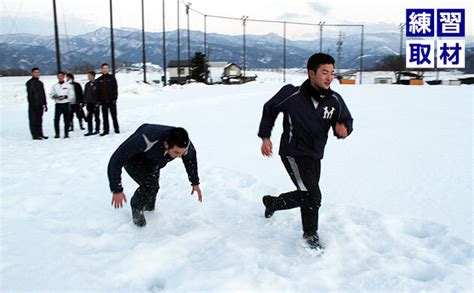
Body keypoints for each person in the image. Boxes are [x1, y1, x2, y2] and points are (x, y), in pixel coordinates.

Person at [257, 53, 353, 251]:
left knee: (307, 194)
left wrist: (344, 128)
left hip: (315, 154)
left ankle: (273, 203)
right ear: (311, 73)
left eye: (332, 73)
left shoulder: (334, 100)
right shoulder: (292, 94)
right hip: (293, 152)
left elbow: (346, 119)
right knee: (312, 195)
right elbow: (270, 108)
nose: (329, 77)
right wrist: (266, 137)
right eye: (325, 73)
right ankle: (310, 234)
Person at [107, 124, 202, 227]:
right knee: (150, 185)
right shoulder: (146, 138)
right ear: (166, 144)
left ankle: (149, 210)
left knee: (153, 188)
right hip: (134, 159)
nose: (179, 156)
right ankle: (136, 208)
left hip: (153, 161)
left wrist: (195, 182)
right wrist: (117, 189)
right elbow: (116, 160)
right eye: (176, 152)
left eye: (182, 153)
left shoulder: (184, 144)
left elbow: (190, 161)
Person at [96, 63, 120, 136]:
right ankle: (106, 130)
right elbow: (98, 91)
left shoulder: (112, 78)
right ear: (101, 69)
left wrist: (114, 99)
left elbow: (115, 89)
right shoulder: (99, 79)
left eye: (106, 68)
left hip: (111, 100)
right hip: (103, 101)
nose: (105, 69)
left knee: (114, 116)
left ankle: (116, 129)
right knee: (104, 117)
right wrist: (99, 100)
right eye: (104, 68)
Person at [50, 71, 75, 138]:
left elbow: (72, 95)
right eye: (59, 76)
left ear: (64, 77)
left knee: (66, 119)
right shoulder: (54, 86)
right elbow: (51, 94)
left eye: (61, 76)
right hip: (58, 104)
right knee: (56, 119)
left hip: (66, 104)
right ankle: (57, 134)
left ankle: (66, 134)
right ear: (57, 77)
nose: (60, 77)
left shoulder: (68, 85)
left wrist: (65, 97)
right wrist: (55, 97)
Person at [26, 67, 48, 140]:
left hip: (40, 104)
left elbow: (43, 94)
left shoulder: (40, 83)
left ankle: (40, 134)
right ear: (32, 73)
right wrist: (32, 103)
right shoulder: (30, 83)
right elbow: (30, 95)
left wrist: (45, 103)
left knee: (39, 120)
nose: (37, 74)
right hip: (33, 105)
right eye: (35, 72)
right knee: (33, 120)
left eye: (38, 72)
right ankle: (35, 135)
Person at [83, 71, 101, 136]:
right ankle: (90, 130)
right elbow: (85, 94)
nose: (88, 77)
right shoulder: (87, 84)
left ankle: (97, 129)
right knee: (89, 117)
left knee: (96, 117)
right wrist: (84, 101)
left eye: (89, 75)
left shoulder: (97, 84)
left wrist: (98, 102)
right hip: (89, 103)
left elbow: (100, 94)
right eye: (88, 76)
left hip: (95, 103)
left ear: (93, 76)